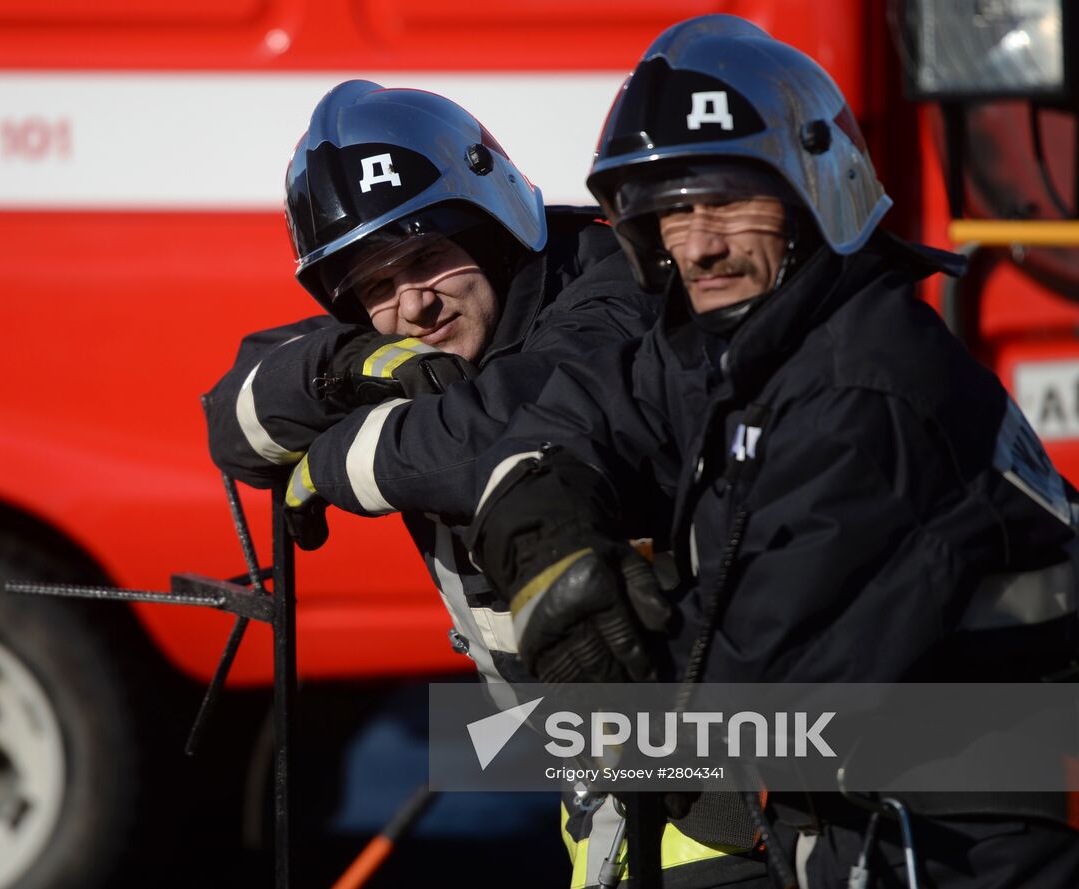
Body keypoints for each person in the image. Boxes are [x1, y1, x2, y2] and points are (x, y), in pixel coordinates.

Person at [466, 14, 1079, 887]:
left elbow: (736, 693)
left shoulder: (864, 393)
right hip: (855, 829)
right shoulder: (742, 340)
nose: (699, 243)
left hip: (957, 852)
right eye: (670, 212)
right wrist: (544, 536)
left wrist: (584, 674)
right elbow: (573, 416)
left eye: (725, 200)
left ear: (811, 195)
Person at [202, 79, 745, 888]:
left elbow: (507, 428)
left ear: (491, 226)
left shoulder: (618, 294)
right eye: (374, 287)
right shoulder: (408, 342)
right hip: (604, 785)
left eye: (426, 258)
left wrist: (337, 455)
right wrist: (344, 363)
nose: (413, 305)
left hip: (720, 786)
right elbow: (231, 420)